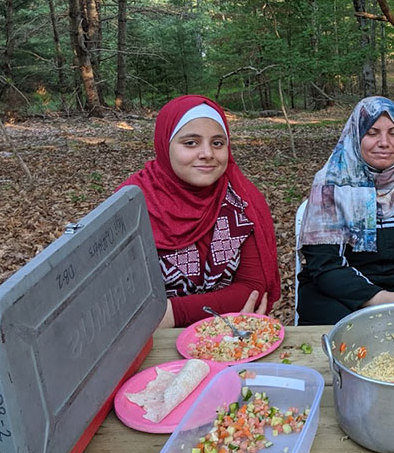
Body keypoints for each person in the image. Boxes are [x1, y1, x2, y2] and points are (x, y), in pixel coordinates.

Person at [119, 95, 280, 328]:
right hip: (151, 345)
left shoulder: (241, 201)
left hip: (230, 337)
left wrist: (169, 314)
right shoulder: (132, 205)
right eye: (190, 143)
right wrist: (226, 309)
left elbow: (251, 289)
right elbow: (121, 302)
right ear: (165, 145)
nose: (207, 153)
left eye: (217, 143)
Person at [297, 96, 394, 325]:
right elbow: (325, 265)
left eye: (393, 133)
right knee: (351, 331)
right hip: (341, 294)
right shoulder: (331, 185)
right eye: (372, 132)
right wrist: (378, 299)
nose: (384, 142)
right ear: (356, 135)